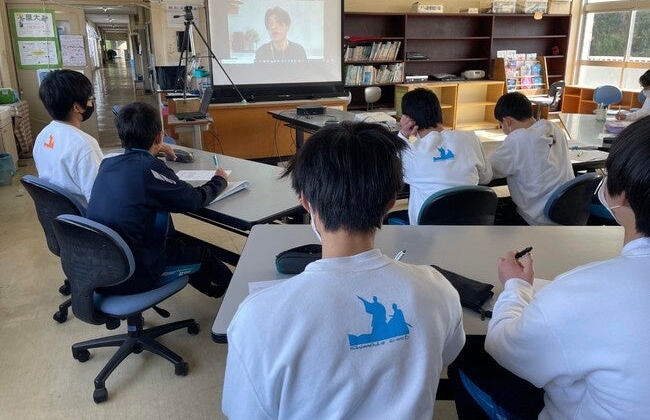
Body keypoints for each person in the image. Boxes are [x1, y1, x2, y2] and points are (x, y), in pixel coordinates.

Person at [222, 122, 465, 420]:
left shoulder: (257, 318)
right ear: (391, 202)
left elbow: (245, 413)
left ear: (306, 202)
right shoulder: (438, 288)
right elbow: (447, 353)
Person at [449, 116, 650, 419]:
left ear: (622, 195)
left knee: (467, 354)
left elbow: (504, 346)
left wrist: (515, 287)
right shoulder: (552, 129)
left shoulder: (586, 292)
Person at [86, 102, 237, 297]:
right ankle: (235, 295)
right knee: (203, 254)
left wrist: (154, 152)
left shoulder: (107, 164)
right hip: (134, 272)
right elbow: (193, 199)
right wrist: (219, 181)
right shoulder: (147, 169)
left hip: (103, 266)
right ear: (159, 136)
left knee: (178, 242)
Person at [398, 88, 492, 224]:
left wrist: (402, 136)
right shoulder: (471, 138)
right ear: (440, 112)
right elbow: (486, 177)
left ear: (408, 120)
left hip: (428, 233)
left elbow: (390, 172)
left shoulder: (409, 152)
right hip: (471, 228)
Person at [489, 92, 574, 225]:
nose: (503, 130)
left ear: (507, 121)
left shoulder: (517, 139)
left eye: (501, 125)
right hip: (567, 212)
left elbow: (487, 170)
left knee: (494, 213)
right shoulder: (555, 128)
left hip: (537, 218)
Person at [33, 69, 103, 205]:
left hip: (58, 214)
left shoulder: (43, 135)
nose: (91, 103)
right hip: (84, 214)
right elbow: (99, 200)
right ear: (77, 107)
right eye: (90, 99)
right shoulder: (84, 144)